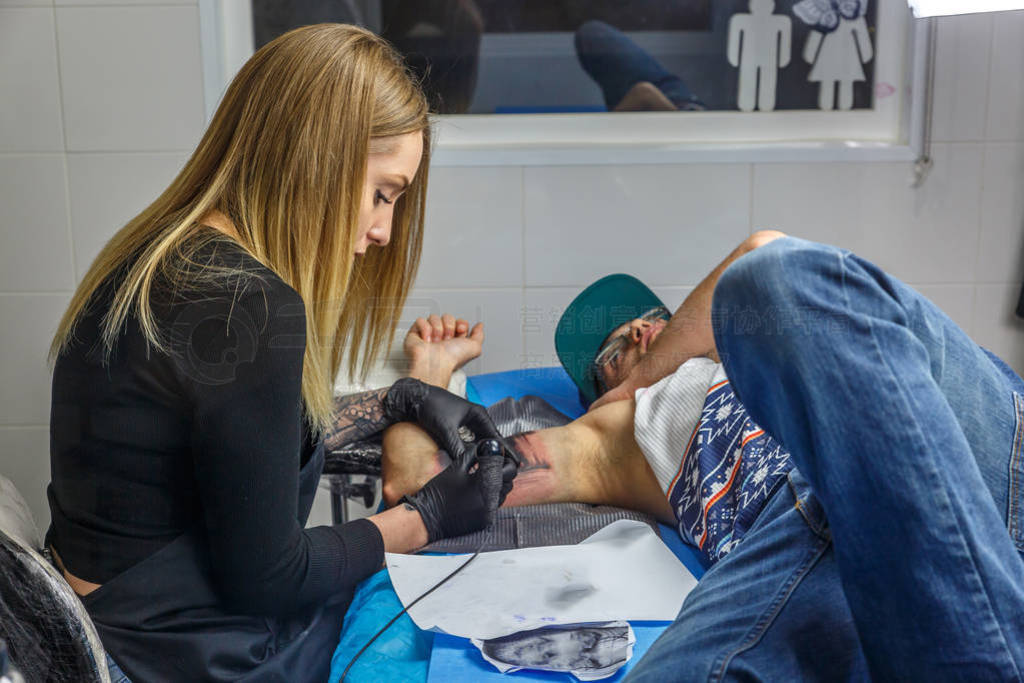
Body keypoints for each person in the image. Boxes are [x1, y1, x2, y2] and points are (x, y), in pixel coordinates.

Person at [46, 24, 513, 683]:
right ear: (319, 157)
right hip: (160, 653)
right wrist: (428, 516)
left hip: (99, 620)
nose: (383, 231)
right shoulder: (249, 304)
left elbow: (235, 445)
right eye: (383, 193)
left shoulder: (162, 253)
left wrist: (398, 398)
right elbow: (271, 578)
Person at [382, 231, 1024, 680]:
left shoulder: (744, 341)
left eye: (654, 320)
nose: (640, 330)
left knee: (782, 277)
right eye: (616, 349)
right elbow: (418, 490)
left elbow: (762, 253)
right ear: (594, 390)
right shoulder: (602, 434)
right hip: (805, 514)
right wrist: (426, 375)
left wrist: (653, 361)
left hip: (967, 443)